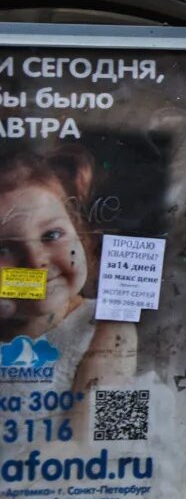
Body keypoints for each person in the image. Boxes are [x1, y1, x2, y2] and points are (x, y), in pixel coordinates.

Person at [0, 147, 137, 398]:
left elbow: (88, 432)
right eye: (4, 249)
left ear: (79, 233)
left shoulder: (105, 326)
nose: (36, 261)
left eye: (51, 235)